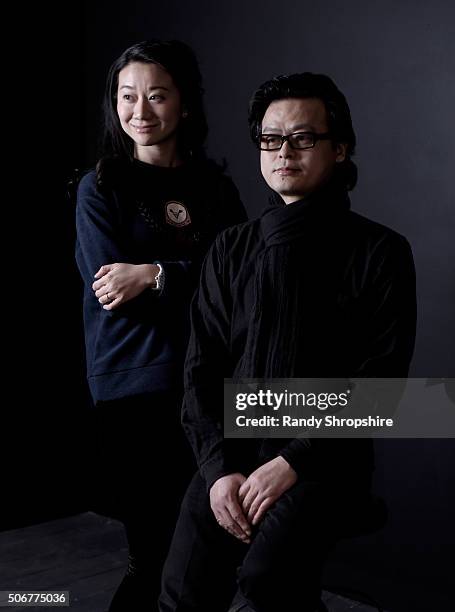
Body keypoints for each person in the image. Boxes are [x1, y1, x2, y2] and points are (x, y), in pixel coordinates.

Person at [159, 73, 416, 612]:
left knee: (267, 582)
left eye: (303, 138)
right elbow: (201, 373)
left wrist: (293, 460)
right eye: (271, 139)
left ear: (339, 148)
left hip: (325, 462)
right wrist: (218, 469)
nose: (284, 152)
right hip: (231, 454)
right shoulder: (231, 249)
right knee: (182, 592)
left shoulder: (381, 251)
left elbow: (379, 387)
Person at [75, 39, 247, 612]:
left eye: (157, 95)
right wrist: (186, 281)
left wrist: (153, 274)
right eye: (127, 97)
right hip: (134, 386)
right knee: (153, 556)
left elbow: (240, 284)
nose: (140, 112)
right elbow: (111, 291)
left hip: (212, 385)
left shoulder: (216, 189)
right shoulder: (100, 187)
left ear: (185, 104)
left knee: (211, 553)